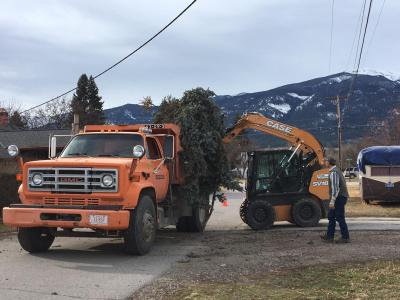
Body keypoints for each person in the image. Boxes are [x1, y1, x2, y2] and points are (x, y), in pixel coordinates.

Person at [321, 157, 350, 243]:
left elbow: (336, 189)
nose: (324, 162)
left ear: (329, 163)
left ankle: (345, 237)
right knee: (331, 216)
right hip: (339, 197)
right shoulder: (336, 170)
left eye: (325, 161)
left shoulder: (334, 173)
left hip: (339, 198)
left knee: (340, 217)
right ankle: (330, 236)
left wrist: (332, 201)